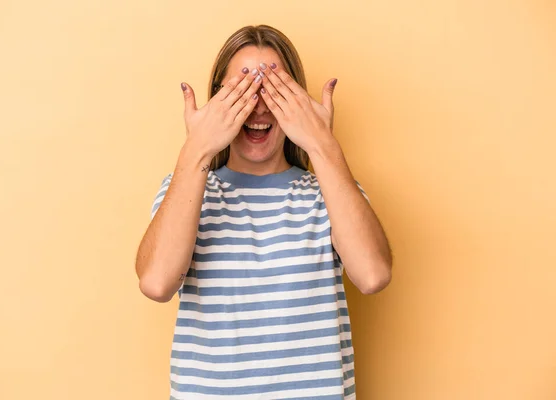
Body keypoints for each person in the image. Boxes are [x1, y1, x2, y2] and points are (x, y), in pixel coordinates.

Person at [135, 24, 392, 400]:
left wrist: (322, 145)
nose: (257, 106)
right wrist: (197, 150)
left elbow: (373, 275)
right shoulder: (189, 191)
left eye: (273, 90)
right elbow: (156, 284)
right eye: (242, 91)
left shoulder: (330, 193)